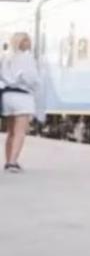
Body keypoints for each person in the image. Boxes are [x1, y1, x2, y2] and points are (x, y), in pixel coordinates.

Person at [2, 32, 40, 173]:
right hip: (22, 96)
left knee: (11, 132)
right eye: (26, 41)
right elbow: (32, 78)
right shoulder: (27, 58)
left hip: (7, 96)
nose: (29, 43)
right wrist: (36, 86)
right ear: (21, 43)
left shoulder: (5, 57)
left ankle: (8, 161)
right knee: (20, 132)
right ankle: (12, 162)